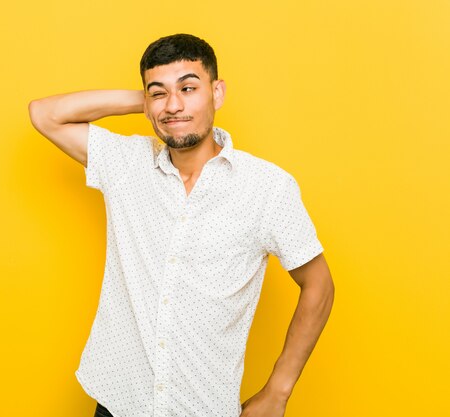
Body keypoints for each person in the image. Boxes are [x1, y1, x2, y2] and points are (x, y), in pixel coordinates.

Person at [28, 33, 334, 417]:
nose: (174, 105)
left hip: (203, 407)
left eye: (189, 88)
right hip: (119, 402)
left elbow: (319, 284)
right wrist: (147, 99)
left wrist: (279, 389)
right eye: (159, 94)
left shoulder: (267, 188)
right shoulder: (127, 165)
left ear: (217, 93)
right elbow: (44, 114)